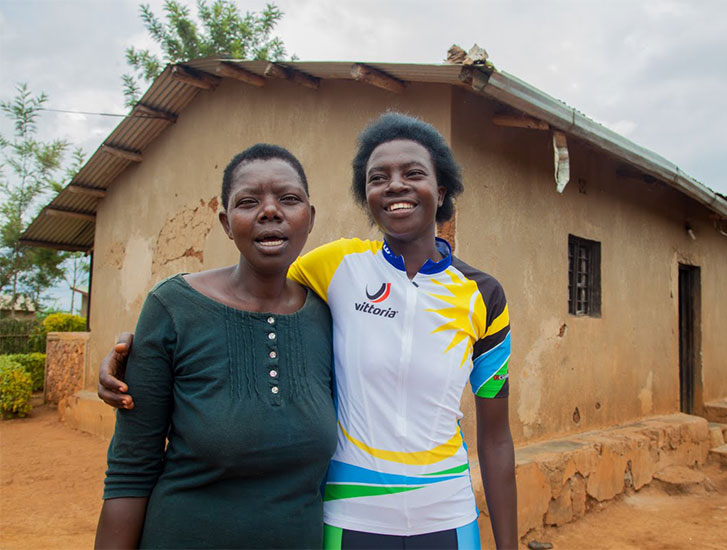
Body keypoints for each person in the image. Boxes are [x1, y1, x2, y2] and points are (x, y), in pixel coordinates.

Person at [99, 113, 518, 549]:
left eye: (413, 173)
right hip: (351, 513)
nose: (395, 185)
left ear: (442, 188)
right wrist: (139, 349)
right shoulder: (339, 267)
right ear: (367, 195)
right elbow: (244, 297)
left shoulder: (482, 295)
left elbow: (496, 435)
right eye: (378, 177)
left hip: (445, 511)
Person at [95, 144, 337, 549]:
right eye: (248, 202)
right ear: (226, 222)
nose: (270, 211)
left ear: (309, 217)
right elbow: (130, 469)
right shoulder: (172, 307)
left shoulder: (329, 316)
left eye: (289, 199)